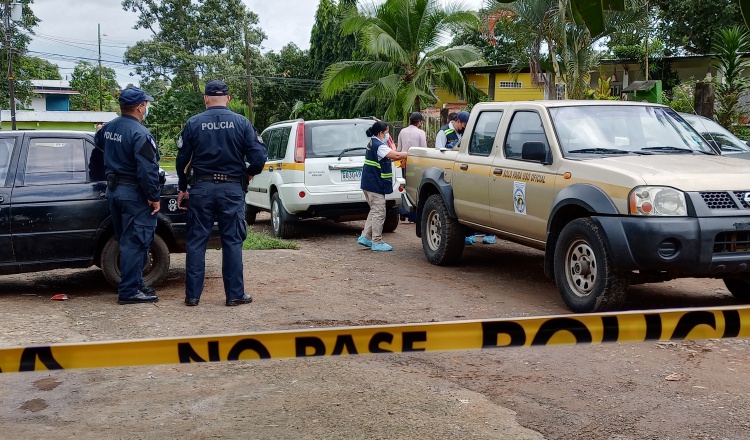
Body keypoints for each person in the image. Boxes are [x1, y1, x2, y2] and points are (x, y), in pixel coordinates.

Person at [176, 80, 267, 307]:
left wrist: (182, 187)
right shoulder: (242, 123)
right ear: (228, 98)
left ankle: (193, 296)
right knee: (232, 241)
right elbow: (258, 157)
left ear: (205, 98)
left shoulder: (193, 123)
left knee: (197, 242)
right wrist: (247, 174)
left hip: (201, 189)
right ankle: (235, 295)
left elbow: (181, 160)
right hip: (231, 189)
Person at [94, 87, 161, 305]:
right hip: (134, 194)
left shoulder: (110, 128)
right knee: (137, 240)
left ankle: (136, 283)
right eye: (146, 104)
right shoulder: (140, 133)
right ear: (140, 107)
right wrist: (153, 196)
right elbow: (147, 169)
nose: (146, 108)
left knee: (126, 239)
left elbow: (98, 141)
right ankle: (130, 291)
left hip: (114, 191)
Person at [357, 121, 407, 252]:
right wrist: (409, 153)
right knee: (379, 213)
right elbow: (395, 155)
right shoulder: (379, 145)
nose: (388, 135)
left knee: (374, 211)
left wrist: (398, 157)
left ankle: (365, 237)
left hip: (368, 184)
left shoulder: (373, 143)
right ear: (380, 133)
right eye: (387, 132)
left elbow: (388, 158)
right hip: (374, 185)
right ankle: (377, 241)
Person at [397, 111, 427, 222]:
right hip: (416, 165)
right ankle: (413, 215)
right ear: (419, 122)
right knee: (415, 187)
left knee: (404, 186)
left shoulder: (402, 131)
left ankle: (403, 213)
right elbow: (424, 150)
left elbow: (399, 149)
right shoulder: (421, 133)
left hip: (404, 163)